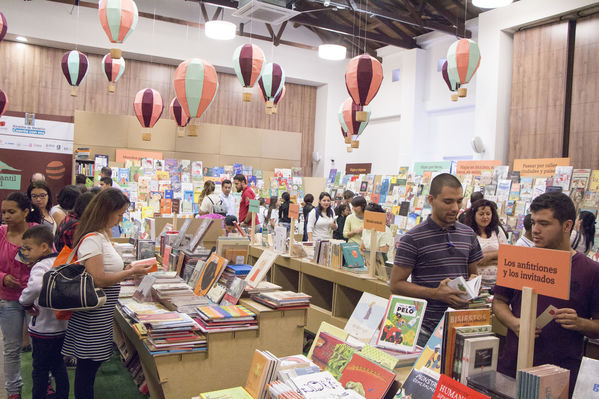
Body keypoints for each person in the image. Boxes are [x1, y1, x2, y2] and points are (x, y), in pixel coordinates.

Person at [493, 193, 599, 397]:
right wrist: (515, 323)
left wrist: (580, 323)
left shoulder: (591, 271)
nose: (535, 230)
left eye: (544, 223)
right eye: (533, 222)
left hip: (559, 375)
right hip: (512, 367)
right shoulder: (519, 259)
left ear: (567, 226)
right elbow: (499, 302)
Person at [61, 188, 153, 399]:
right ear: (105, 210)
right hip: (92, 316)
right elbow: (98, 278)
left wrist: (128, 269)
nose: (121, 219)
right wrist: (130, 272)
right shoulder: (93, 238)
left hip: (100, 313)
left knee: (89, 370)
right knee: (86, 372)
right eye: (119, 214)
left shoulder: (101, 235)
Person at [390, 173, 483, 347]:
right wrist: (435, 294)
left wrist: (473, 285)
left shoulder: (468, 234)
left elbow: (474, 274)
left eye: (459, 201)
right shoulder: (412, 238)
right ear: (431, 200)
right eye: (448, 201)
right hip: (425, 330)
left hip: (460, 327)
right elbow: (396, 284)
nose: (455, 208)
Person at [0, 192, 43, 399]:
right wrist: (3, 277)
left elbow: (52, 259)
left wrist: (37, 264)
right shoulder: (0, 233)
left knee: (41, 345)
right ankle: (13, 391)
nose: (6, 216)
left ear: (25, 212)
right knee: (11, 347)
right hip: (8, 299)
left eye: (11, 211)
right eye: (4, 212)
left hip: (35, 299)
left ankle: (44, 383)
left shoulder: (39, 232)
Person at [19, 225, 69, 399]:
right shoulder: (61, 262)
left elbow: (35, 286)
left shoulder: (40, 266)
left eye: (28, 249)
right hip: (61, 326)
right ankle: (62, 395)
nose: (26, 253)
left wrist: (24, 301)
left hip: (43, 329)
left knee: (40, 369)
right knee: (58, 366)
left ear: (44, 247)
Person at [463, 199, 508, 287]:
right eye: (481, 214)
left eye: (488, 214)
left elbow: (507, 254)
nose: (485, 217)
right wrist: (497, 257)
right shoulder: (468, 233)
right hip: (478, 283)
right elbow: (471, 260)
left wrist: (487, 257)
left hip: (499, 282)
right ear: (474, 215)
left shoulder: (497, 231)